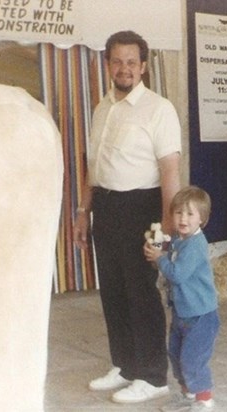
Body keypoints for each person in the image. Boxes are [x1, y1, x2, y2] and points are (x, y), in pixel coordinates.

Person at [73, 30, 181, 404]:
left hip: (142, 208)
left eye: (131, 62)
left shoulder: (159, 109)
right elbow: (94, 165)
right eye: (117, 61)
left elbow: (170, 172)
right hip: (105, 206)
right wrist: (83, 210)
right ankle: (125, 365)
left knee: (141, 293)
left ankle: (152, 376)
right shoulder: (103, 107)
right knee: (114, 292)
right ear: (107, 65)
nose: (124, 68)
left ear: (144, 66)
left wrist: (165, 230)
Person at [144, 186, 220, 412]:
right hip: (182, 313)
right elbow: (171, 251)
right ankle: (188, 395)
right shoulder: (180, 239)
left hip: (200, 316)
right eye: (178, 213)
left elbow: (177, 274)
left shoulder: (196, 245)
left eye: (190, 214)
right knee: (176, 356)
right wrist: (159, 246)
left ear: (202, 219)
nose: (183, 218)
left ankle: (205, 399)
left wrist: (160, 259)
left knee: (192, 360)